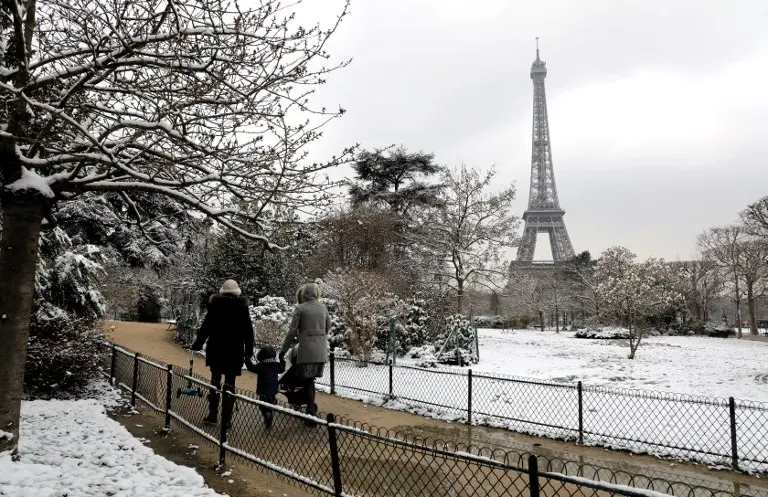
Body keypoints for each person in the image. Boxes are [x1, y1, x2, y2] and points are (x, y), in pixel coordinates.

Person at [191, 279, 254, 426]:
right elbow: (248, 330)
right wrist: (249, 350)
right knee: (230, 384)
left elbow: (205, 327)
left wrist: (198, 344)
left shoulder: (215, 306)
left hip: (216, 349)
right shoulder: (242, 307)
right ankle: (227, 419)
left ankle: (212, 415)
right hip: (235, 350)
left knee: (215, 381)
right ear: (237, 291)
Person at [280, 282, 330, 423]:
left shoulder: (300, 308)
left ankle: (310, 414)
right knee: (310, 381)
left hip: (306, 351)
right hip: (321, 351)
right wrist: (319, 338)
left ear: (303, 294)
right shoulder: (323, 308)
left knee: (307, 381)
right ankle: (310, 410)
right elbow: (328, 327)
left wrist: (284, 350)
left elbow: (292, 331)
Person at [245, 344, 281, 428]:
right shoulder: (276, 365)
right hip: (273, 390)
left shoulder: (261, 366)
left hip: (263, 390)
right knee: (270, 403)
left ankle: (266, 414)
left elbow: (251, 367)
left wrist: (247, 359)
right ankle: (270, 413)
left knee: (262, 405)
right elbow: (283, 369)